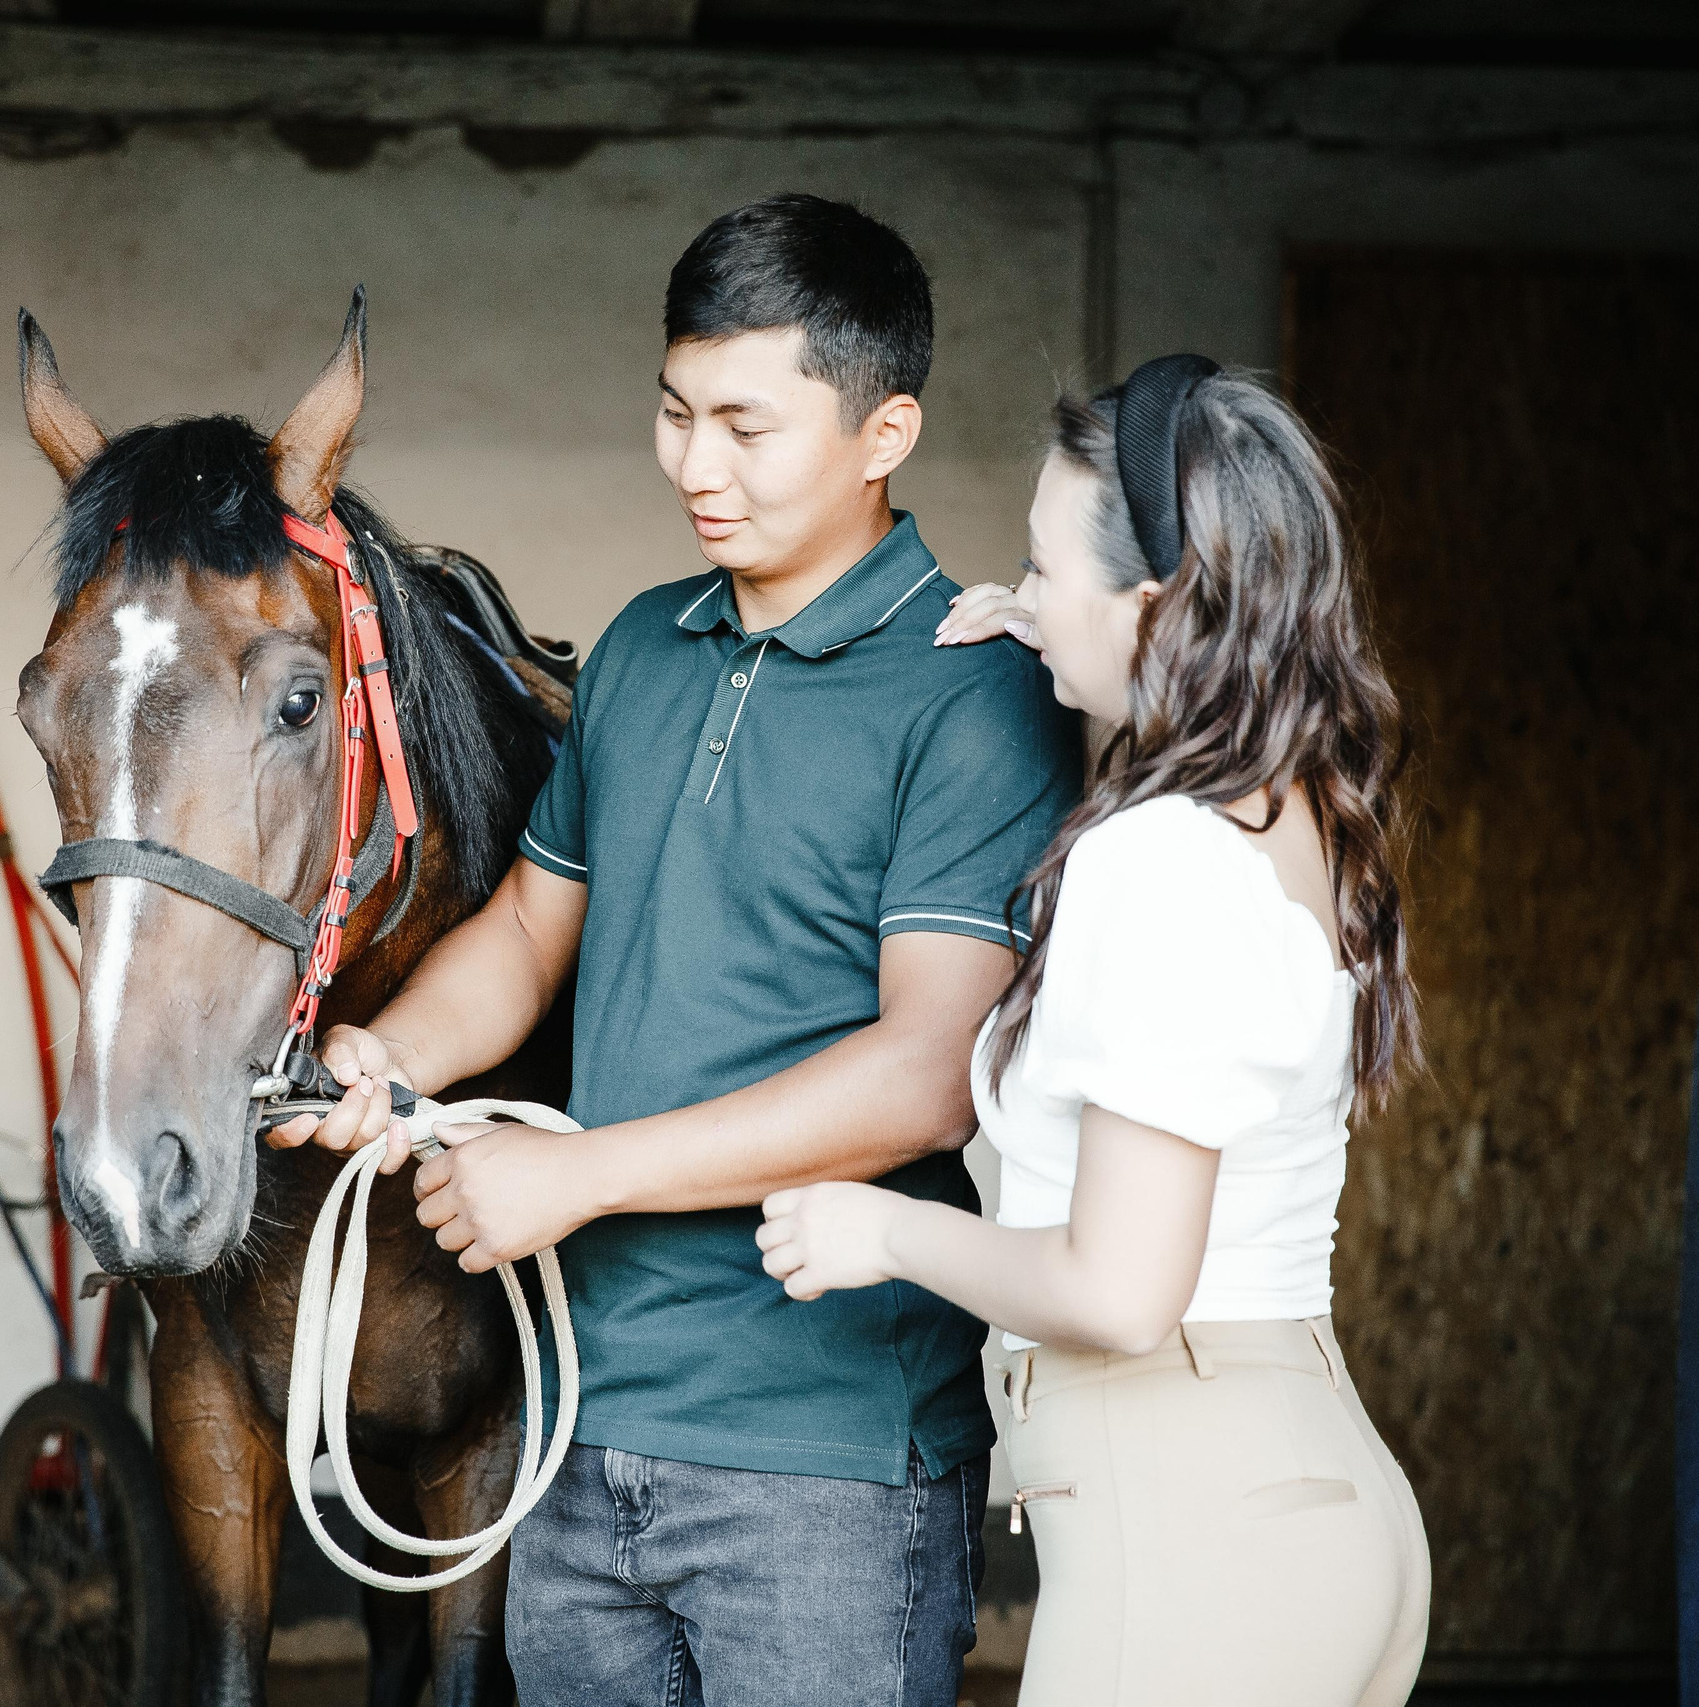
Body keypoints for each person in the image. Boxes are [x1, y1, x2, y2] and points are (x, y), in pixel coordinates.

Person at [269, 192, 1078, 1705]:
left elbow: (928, 1074)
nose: (696, 467)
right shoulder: (643, 646)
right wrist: (383, 1054)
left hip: (824, 1456)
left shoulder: (971, 693)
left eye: (746, 427)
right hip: (580, 1428)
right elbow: (524, 929)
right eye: (672, 411)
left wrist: (585, 1173)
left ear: (883, 431)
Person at [756, 357, 1432, 1706]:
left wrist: (874, 1231)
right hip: (1307, 1507)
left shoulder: (1159, 863)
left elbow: (1121, 1294)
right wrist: (1067, 635)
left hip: (1191, 1544)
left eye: (1040, 561)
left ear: (1156, 598)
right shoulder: (1291, 814)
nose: (1015, 589)